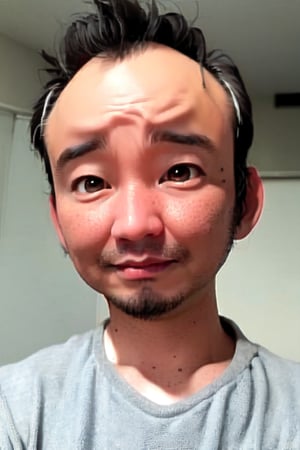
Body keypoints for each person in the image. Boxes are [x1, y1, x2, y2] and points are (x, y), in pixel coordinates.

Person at [0, 0, 299, 448]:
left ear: (246, 202)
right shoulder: (16, 409)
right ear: (58, 221)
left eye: (179, 171)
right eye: (91, 181)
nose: (135, 225)